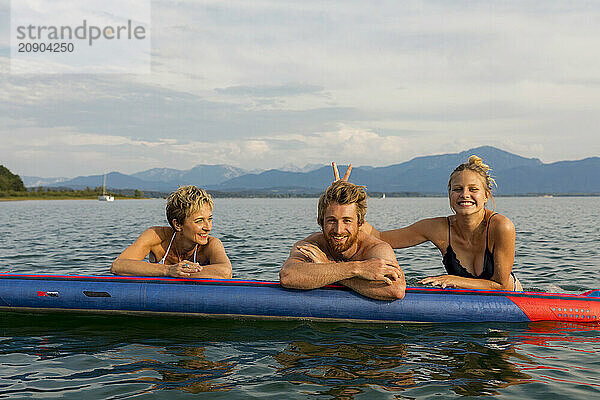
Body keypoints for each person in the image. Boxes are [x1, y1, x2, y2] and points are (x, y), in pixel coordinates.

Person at [332, 156, 522, 291]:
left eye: (473, 189)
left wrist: (452, 279)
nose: (464, 194)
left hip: (510, 300)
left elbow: (500, 284)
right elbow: (380, 237)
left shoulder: (501, 226)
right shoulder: (437, 228)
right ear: (449, 194)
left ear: (486, 195)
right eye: (457, 189)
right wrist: (345, 201)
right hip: (467, 304)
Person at [279, 180, 406, 300]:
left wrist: (327, 267)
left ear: (360, 223)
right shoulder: (312, 246)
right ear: (320, 222)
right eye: (331, 220)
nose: (339, 230)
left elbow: (396, 289)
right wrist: (357, 269)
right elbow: (287, 276)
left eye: (347, 221)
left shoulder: (375, 249)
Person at [111, 185, 232, 278]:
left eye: (209, 219)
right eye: (199, 221)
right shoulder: (157, 236)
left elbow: (225, 272)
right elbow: (118, 265)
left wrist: (181, 272)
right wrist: (168, 270)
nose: (208, 227)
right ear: (178, 224)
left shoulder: (211, 244)